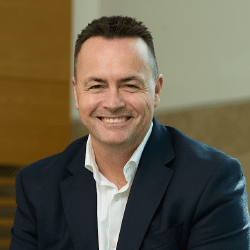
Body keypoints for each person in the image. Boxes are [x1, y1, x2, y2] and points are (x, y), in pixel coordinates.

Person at [10, 15, 250, 250]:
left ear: (156, 90)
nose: (113, 103)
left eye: (130, 85)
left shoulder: (212, 179)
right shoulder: (36, 185)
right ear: (76, 93)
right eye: (96, 86)